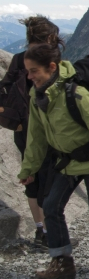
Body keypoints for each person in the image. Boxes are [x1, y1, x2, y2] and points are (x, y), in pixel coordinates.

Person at [18, 43, 89, 279]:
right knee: (51, 206)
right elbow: (36, 138)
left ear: (52, 68)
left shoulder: (76, 93)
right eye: (28, 71)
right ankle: (62, 263)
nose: (30, 76)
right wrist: (29, 170)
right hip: (66, 162)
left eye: (34, 70)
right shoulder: (38, 96)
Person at [0, 16, 60, 250]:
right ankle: (49, 233)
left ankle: (39, 229)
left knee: (31, 177)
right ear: (47, 38)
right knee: (48, 176)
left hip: (20, 128)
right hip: (43, 128)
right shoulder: (44, 60)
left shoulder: (17, 59)